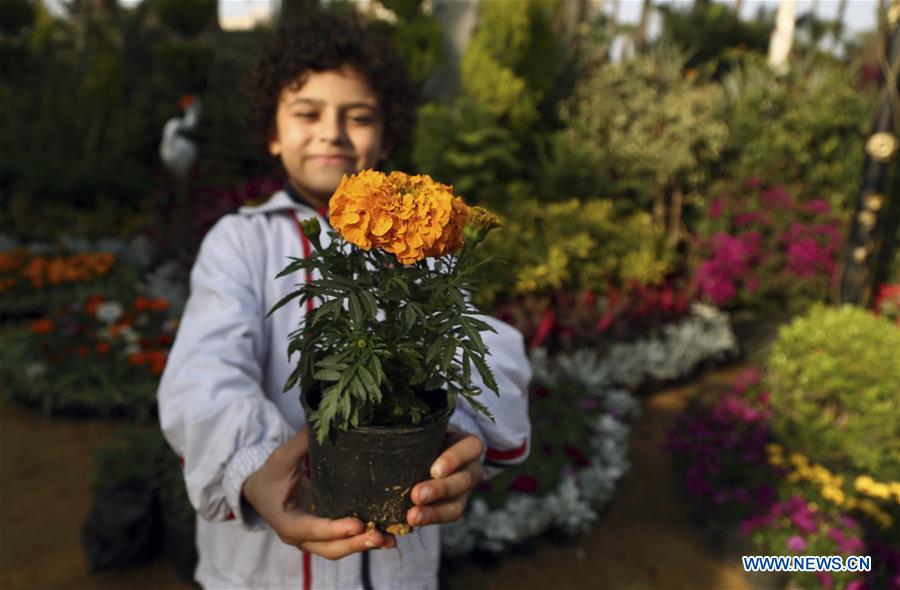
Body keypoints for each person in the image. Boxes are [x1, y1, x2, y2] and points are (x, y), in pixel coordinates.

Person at [157, 11, 531, 590]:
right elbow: (202, 372)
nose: (332, 132)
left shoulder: (421, 244)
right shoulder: (241, 241)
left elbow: (484, 347)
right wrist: (253, 470)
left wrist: (460, 434)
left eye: (357, 117)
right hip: (259, 576)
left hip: (396, 563)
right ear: (273, 132)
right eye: (307, 114)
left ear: (384, 138)